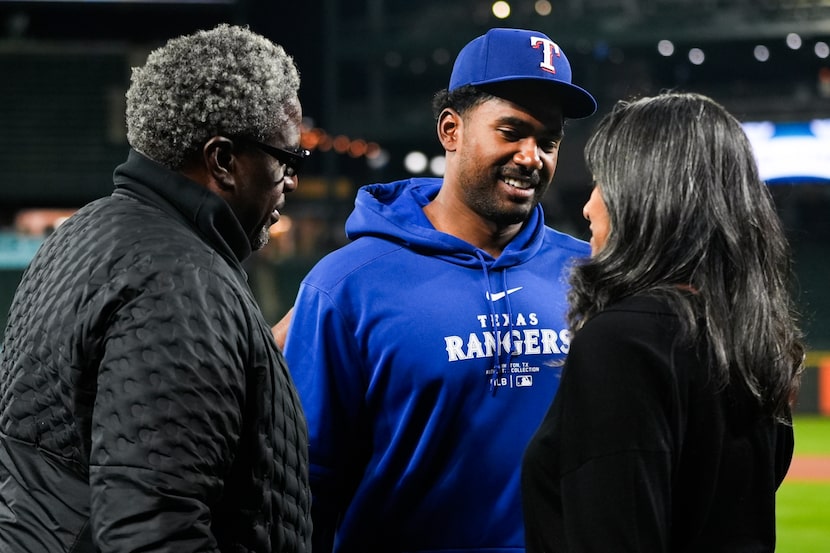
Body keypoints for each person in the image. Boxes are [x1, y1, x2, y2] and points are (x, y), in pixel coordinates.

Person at [281, 27, 597, 552]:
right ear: (450, 130)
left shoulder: (590, 274)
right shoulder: (347, 286)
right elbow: (306, 482)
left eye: (548, 140)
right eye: (511, 131)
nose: (531, 156)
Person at [0, 24, 312, 552]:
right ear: (222, 160)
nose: (292, 179)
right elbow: (154, 531)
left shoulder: (88, 228)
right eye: (285, 158)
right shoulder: (185, 286)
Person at [521, 92, 805, 552]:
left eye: (604, 181)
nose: (589, 206)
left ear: (645, 197)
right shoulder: (749, 339)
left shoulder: (622, 342)